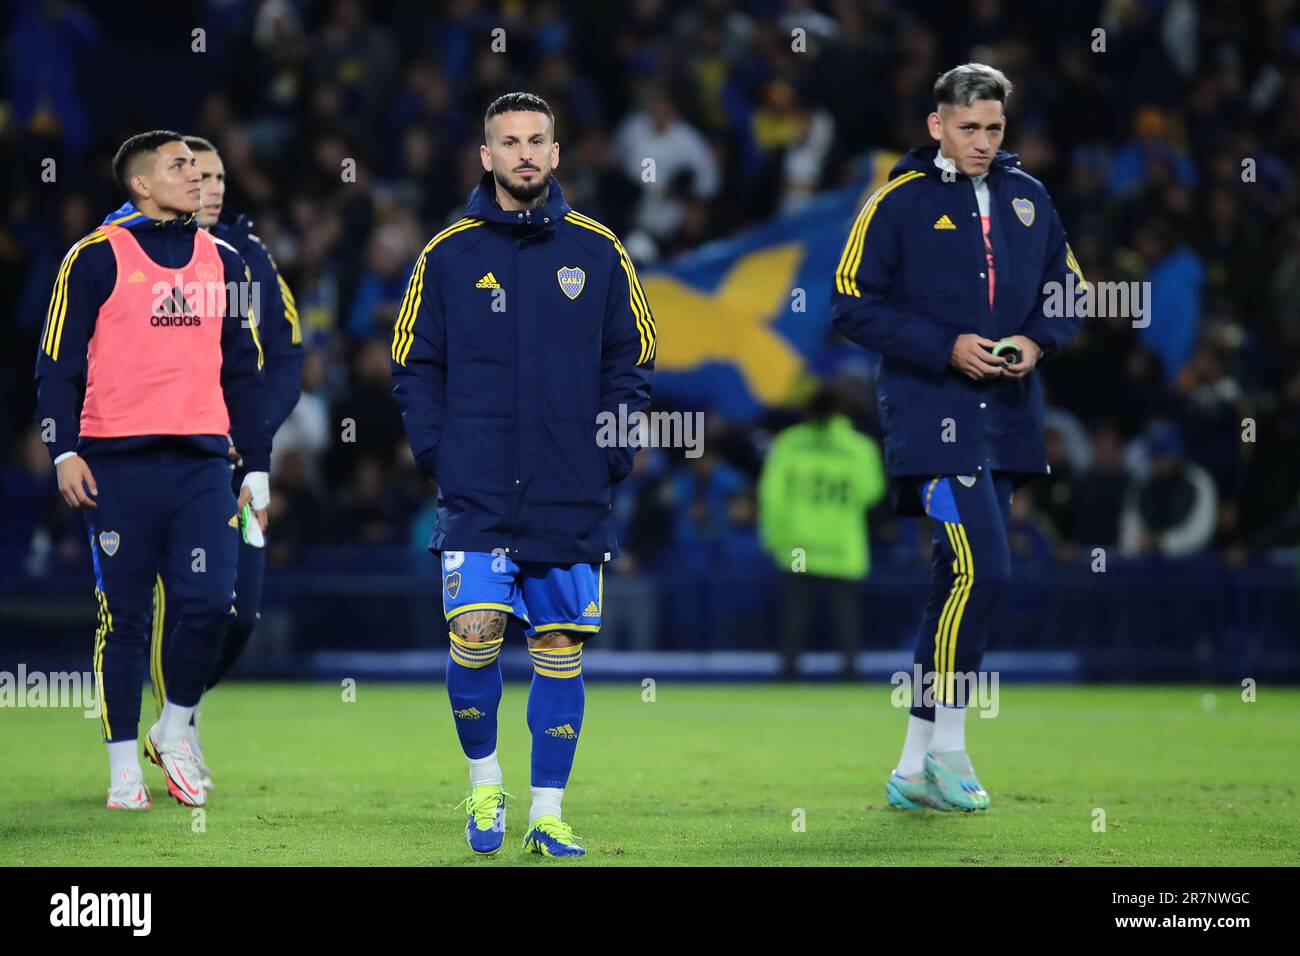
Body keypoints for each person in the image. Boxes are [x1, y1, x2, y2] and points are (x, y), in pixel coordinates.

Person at [391, 92, 654, 857]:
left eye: (537, 140)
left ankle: (547, 811)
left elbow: (632, 361)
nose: (525, 154)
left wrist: (610, 451)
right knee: (474, 635)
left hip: (570, 493)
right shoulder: (447, 253)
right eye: (509, 142)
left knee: (559, 650)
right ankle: (483, 784)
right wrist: (440, 454)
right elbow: (412, 363)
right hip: (476, 492)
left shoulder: (600, 251)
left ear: (557, 152)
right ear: (486, 156)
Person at [830, 64, 1084, 812]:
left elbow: (1067, 288)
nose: (982, 141)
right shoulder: (897, 201)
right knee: (987, 573)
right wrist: (946, 345)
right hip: (931, 417)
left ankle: (912, 768)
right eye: (968, 127)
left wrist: (1038, 342)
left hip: (1006, 415)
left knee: (956, 579)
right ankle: (949, 746)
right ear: (936, 124)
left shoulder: (1030, 198)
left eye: (994, 128)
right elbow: (849, 301)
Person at [33, 130, 270, 810]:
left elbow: (245, 371)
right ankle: (120, 770)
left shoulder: (225, 261)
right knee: (126, 618)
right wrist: (63, 450)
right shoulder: (95, 257)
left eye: (200, 166)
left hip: (200, 466)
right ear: (140, 185)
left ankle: (172, 729)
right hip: (116, 467)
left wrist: (257, 465)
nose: (198, 176)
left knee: (210, 603)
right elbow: (56, 364)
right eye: (180, 166)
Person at [149, 135, 304, 792]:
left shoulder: (249, 261)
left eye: (218, 177)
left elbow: (285, 354)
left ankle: (182, 712)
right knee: (175, 601)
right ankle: (171, 730)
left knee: (243, 613)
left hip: (242, 460)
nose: (210, 187)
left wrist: (251, 436)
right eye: (197, 174)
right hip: (177, 458)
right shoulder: (143, 251)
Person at [757, 384, 885, 680]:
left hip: (799, 541)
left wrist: (772, 537)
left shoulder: (789, 443)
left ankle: (788, 673)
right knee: (846, 613)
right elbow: (871, 491)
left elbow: (771, 494)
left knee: (795, 612)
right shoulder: (859, 447)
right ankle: (850, 672)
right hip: (842, 541)